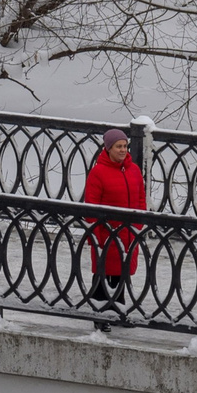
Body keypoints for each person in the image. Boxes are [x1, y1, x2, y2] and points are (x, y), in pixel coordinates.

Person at [81, 127, 146, 322]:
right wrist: (97, 236)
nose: (122, 150)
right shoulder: (98, 172)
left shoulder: (133, 170)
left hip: (128, 234)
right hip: (105, 234)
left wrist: (137, 226)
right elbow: (91, 207)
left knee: (122, 275)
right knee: (103, 275)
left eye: (125, 146)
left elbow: (141, 199)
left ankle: (119, 312)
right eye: (118, 146)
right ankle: (100, 315)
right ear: (108, 148)